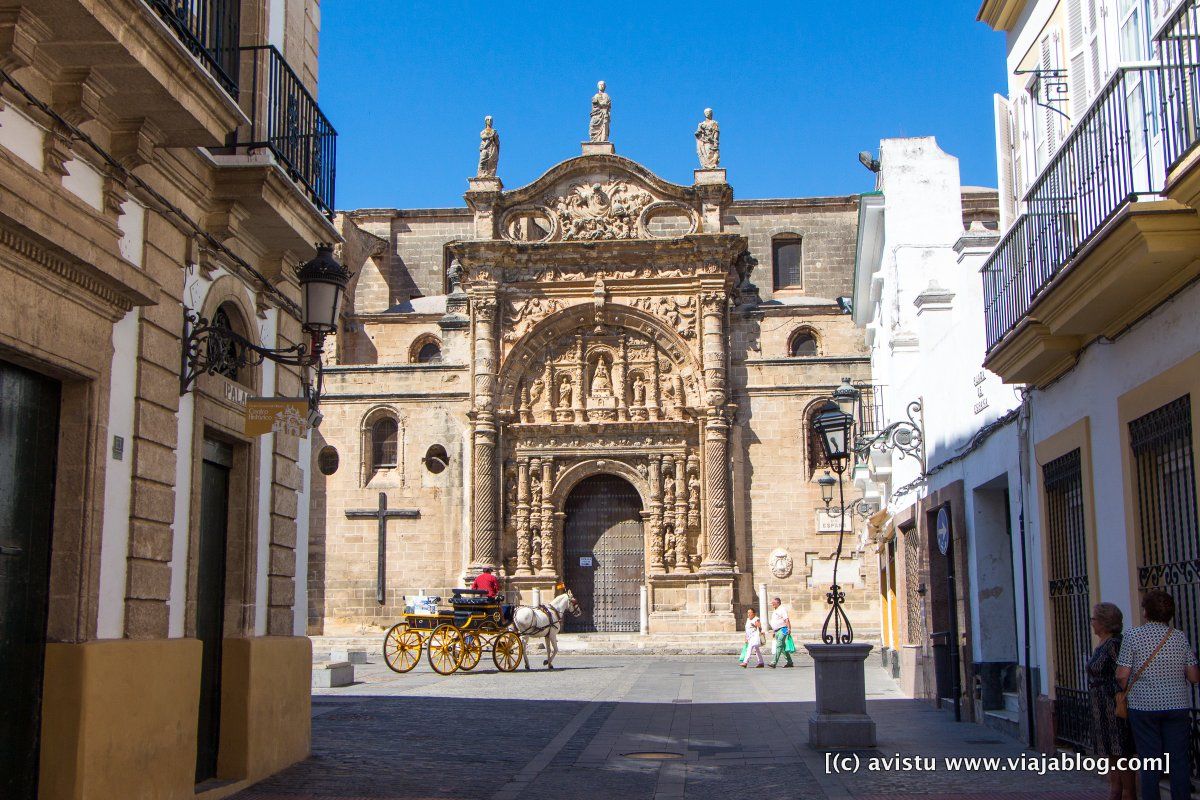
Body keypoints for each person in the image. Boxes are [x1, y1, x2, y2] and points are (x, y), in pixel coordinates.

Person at [1117, 589, 1200, 800]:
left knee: (1149, 760)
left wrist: (1126, 685)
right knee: (1178, 759)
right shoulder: (1179, 637)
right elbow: (1193, 676)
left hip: (1143, 707)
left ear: (1145, 612)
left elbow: (1122, 675)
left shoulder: (1133, 636)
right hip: (1177, 706)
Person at [1088, 602, 1136, 800]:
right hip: (1101, 706)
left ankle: (1127, 792)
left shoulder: (1115, 644)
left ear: (1104, 622)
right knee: (1112, 753)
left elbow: (1123, 674)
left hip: (1112, 705)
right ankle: (1115, 790)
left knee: (1120, 750)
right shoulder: (1102, 643)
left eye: (1094, 619)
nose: (1091, 623)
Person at [768, 597, 795, 668]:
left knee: (779, 645)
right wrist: (774, 631)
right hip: (777, 631)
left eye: (773, 603)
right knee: (782, 647)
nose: (772, 604)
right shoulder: (775, 610)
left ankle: (774, 662)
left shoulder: (782, 609)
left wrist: (789, 628)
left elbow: (786, 619)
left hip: (783, 629)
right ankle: (789, 662)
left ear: (778, 603)